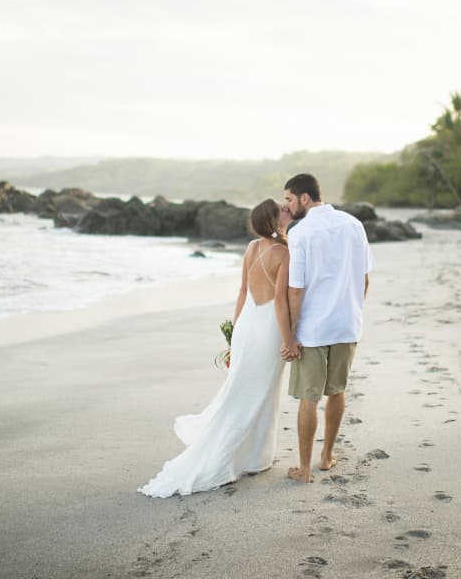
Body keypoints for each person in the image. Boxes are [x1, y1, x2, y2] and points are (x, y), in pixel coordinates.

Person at [138, 199, 297, 497]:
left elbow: (242, 293)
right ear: (274, 221)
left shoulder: (251, 248)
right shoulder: (284, 253)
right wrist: (289, 339)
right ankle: (246, 457)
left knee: (242, 389)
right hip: (268, 329)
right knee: (260, 391)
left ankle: (254, 455)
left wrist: (235, 334)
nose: (288, 211)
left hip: (248, 325)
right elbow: (279, 302)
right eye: (283, 210)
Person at [281, 173, 374, 485]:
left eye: (289, 200)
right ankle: (327, 457)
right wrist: (353, 310)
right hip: (347, 323)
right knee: (337, 391)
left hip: (314, 327)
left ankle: (304, 469)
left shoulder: (300, 232)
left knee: (309, 397)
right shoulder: (353, 224)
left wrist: (291, 333)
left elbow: (296, 289)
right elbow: (365, 277)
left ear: (305, 198)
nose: (288, 206)